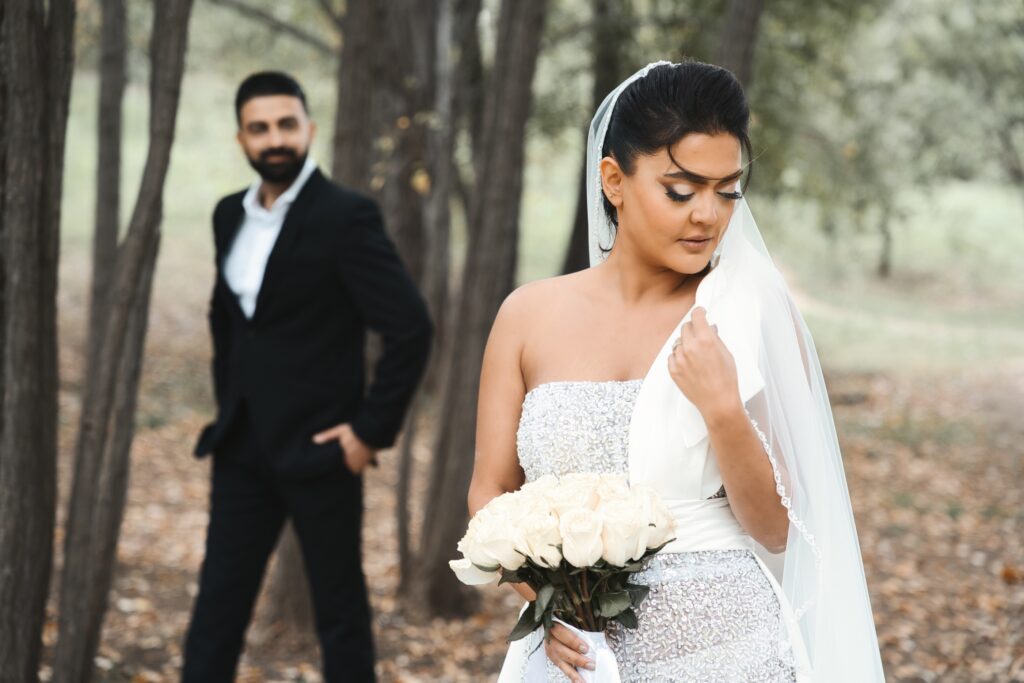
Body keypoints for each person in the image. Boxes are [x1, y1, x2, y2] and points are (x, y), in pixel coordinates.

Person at [468, 61, 885, 681]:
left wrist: (722, 409)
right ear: (614, 179)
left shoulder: (749, 313)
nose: (708, 216)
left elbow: (777, 530)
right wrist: (549, 605)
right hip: (572, 655)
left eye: (728, 190)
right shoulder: (527, 315)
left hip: (725, 648)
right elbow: (489, 492)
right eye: (681, 190)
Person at [182, 71, 432, 682]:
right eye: (259, 128)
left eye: (286, 125)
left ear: (309, 129)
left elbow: (410, 328)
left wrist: (368, 434)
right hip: (240, 449)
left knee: (340, 616)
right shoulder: (226, 216)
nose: (275, 139)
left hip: (322, 451)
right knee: (216, 611)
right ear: (241, 137)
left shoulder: (346, 217)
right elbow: (234, 325)